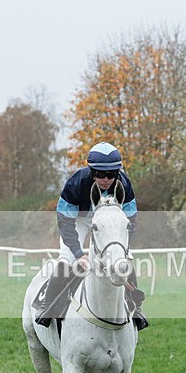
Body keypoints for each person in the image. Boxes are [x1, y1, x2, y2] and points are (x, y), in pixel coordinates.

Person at [35, 141, 148, 330]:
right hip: (78, 220)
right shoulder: (76, 182)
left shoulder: (124, 184)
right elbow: (65, 222)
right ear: (91, 171)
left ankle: (136, 309)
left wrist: (122, 248)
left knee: (126, 259)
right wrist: (79, 253)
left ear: (117, 172)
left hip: (109, 221)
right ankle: (48, 306)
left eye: (111, 174)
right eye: (100, 174)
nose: (106, 179)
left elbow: (130, 221)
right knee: (67, 259)